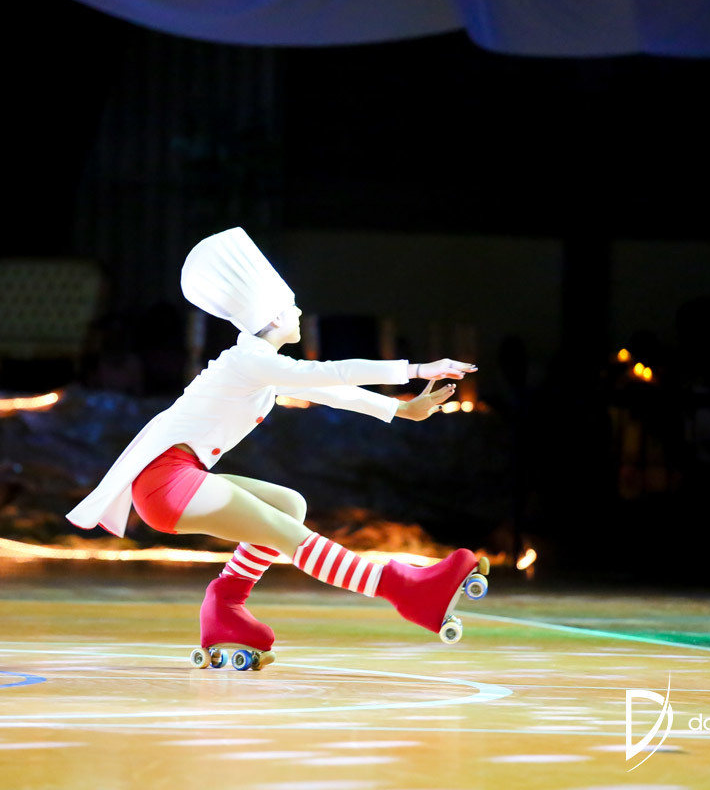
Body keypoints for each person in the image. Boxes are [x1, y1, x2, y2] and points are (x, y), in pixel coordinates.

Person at [67, 227, 488, 668]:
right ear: (270, 318)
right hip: (168, 482)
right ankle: (407, 590)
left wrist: (400, 409)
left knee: (288, 506)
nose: (299, 311)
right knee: (289, 536)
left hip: (174, 477)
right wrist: (415, 369)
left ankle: (225, 605)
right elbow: (330, 373)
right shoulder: (250, 361)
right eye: (290, 307)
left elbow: (328, 390)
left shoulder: (259, 364)